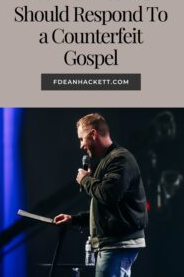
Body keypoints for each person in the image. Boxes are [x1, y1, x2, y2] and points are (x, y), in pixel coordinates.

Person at [54, 113, 148, 277]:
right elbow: (106, 209)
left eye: (82, 139)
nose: (81, 145)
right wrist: (74, 220)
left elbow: (108, 195)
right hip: (113, 244)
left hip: (118, 243)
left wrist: (85, 180)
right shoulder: (108, 160)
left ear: (93, 134)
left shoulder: (120, 159)